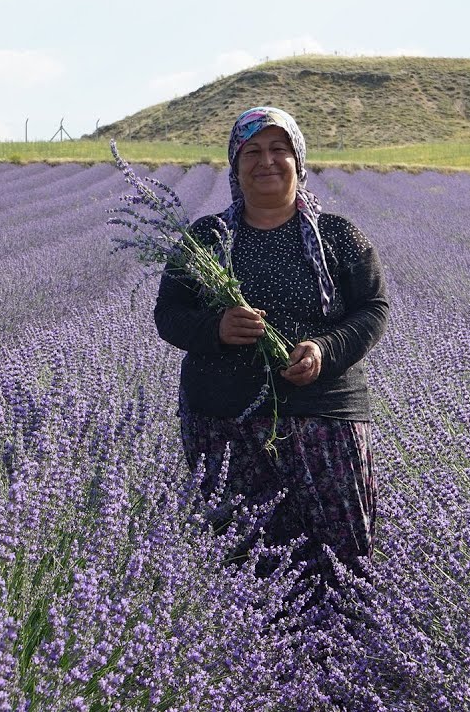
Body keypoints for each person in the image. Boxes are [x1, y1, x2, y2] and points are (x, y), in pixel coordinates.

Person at [153, 106, 389, 598]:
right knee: (244, 563)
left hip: (325, 421)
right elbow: (169, 316)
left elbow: (372, 309)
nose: (267, 161)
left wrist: (325, 350)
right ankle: (254, 669)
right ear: (235, 166)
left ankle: (351, 663)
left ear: (298, 161)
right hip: (224, 424)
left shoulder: (338, 236)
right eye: (252, 151)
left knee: (342, 562)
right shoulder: (206, 239)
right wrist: (215, 326)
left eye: (279, 149)